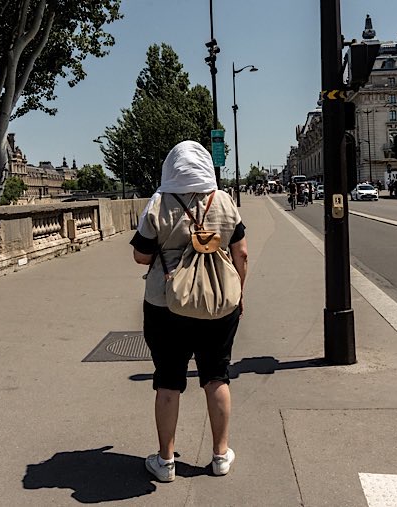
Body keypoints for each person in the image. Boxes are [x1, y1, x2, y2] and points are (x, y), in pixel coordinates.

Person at [131, 140, 248, 482]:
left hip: (166, 304)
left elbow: (140, 256)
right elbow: (241, 253)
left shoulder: (159, 203)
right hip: (218, 304)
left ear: (173, 167)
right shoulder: (225, 201)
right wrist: (239, 292)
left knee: (168, 381)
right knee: (216, 375)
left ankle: (165, 462)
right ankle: (220, 456)